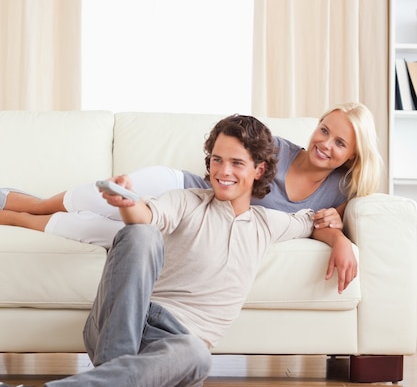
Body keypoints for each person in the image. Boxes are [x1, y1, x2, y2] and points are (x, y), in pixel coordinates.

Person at [0, 114, 315, 387]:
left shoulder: (266, 223)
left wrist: (337, 236)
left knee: (198, 356)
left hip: (175, 353)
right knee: (142, 234)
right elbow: (147, 216)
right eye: (217, 160)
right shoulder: (187, 201)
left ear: (259, 170)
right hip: (129, 322)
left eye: (236, 163)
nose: (223, 171)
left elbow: (311, 221)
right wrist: (126, 202)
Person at [0, 102, 382, 292]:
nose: (324, 143)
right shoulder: (274, 149)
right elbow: (225, 161)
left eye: (339, 142)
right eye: (323, 130)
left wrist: (340, 238)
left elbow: (316, 225)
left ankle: (12, 216)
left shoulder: (343, 189)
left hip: (195, 223)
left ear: (353, 154)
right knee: (101, 198)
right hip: (182, 190)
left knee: (100, 232)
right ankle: (28, 204)